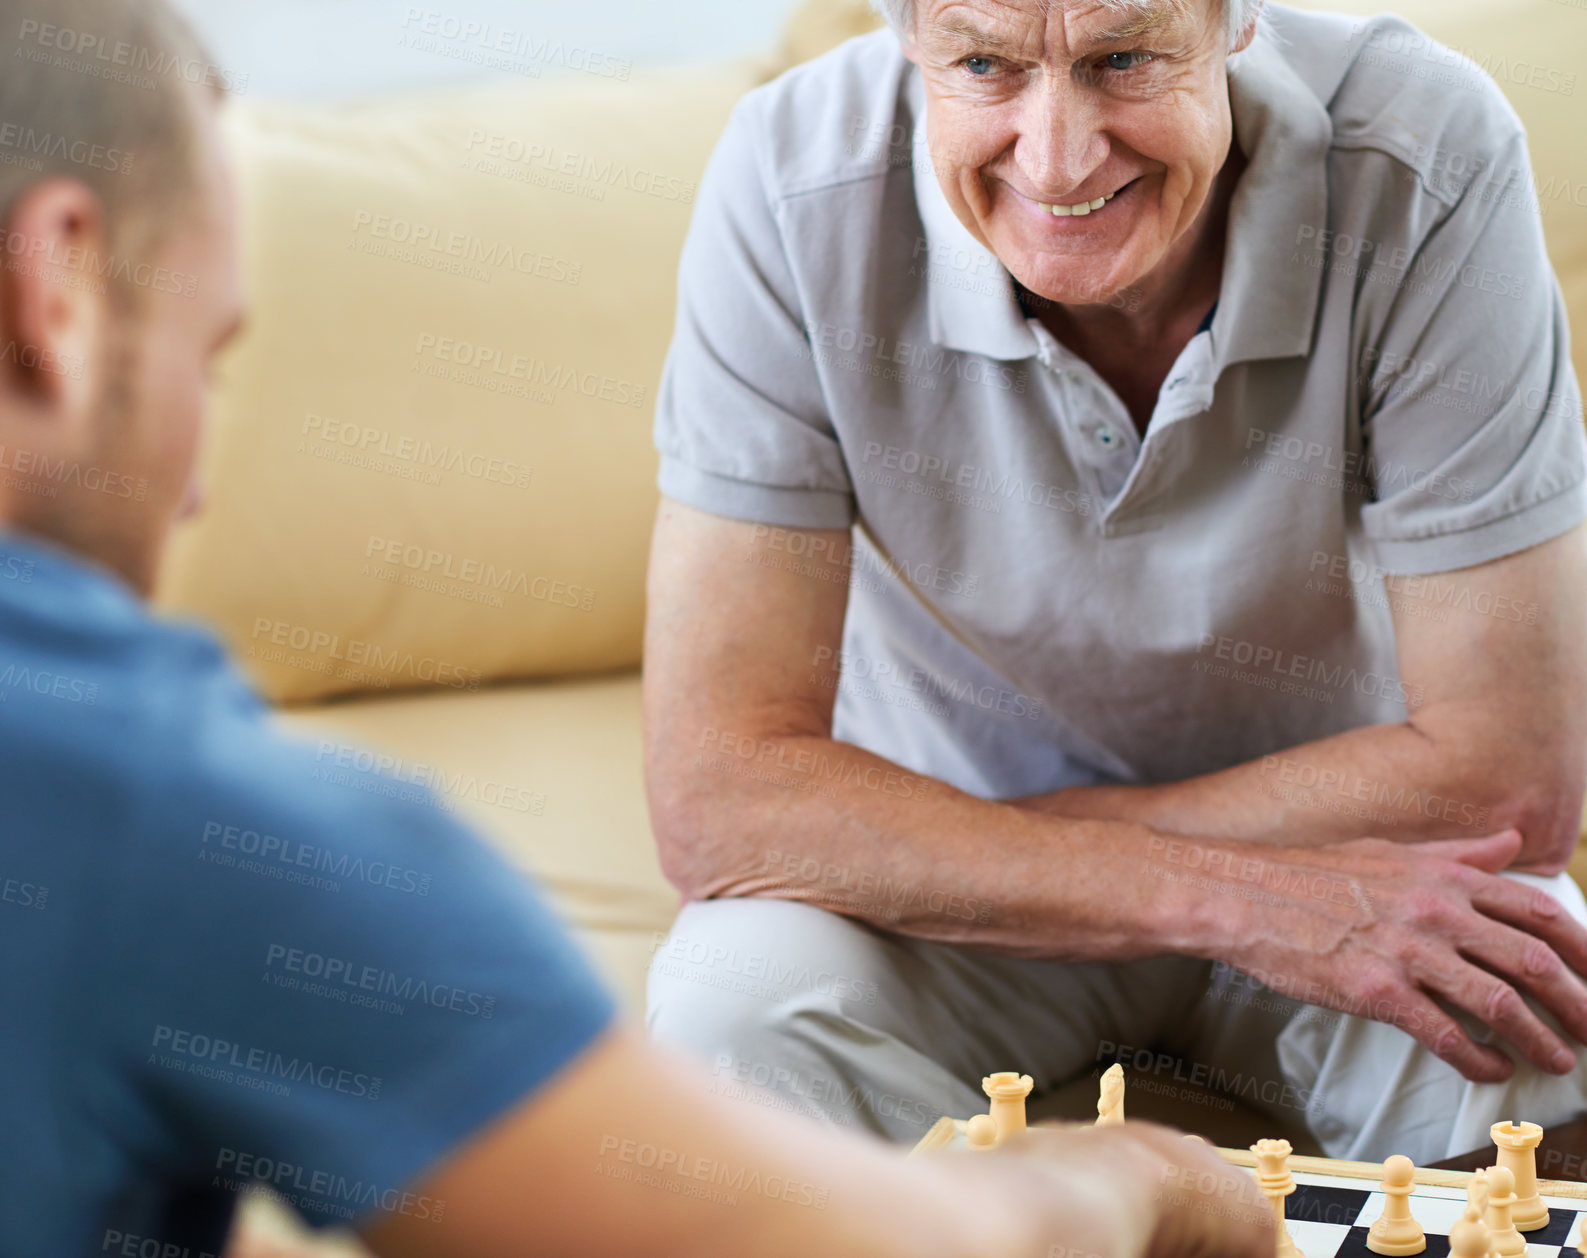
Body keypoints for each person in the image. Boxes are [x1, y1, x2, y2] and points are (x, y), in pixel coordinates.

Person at [0, 0, 1278, 1254]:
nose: (196, 490)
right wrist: (1139, 1175)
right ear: (56, 291)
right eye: (203, 357)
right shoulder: (193, 827)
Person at [643, 0, 1587, 1164]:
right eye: (984, 63)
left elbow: (1507, 779)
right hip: (946, 907)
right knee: (728, 1010)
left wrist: (980, 844)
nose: (1058, 158)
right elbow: (722, 800)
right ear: (908, 39)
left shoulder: (1426, 156)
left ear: (1237, 22)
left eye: (1122, 57)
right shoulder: (790, 179)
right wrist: (1214, 889)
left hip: (1341, 858)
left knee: (1541, 1017)